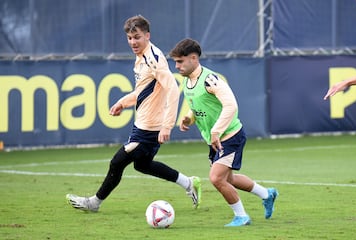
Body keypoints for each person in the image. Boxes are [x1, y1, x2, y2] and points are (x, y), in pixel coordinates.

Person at [66, 16, 201, 212]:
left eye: (136, 37)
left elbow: (172, 88)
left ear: (147, 35)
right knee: (143, 165)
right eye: (129, 38)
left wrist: (166, 125)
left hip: (150, 127)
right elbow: (144, 90)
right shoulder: (141, 58)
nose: (133, 42)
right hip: (143, 123)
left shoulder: (153, 58)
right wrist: (124, 102)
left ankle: (94, 203)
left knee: (117, 162)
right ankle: (189, 183)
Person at [169, 38, 278, 227]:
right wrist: (189, 118)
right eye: (175, 62)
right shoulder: (187, 82)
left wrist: (216, 131)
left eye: (180, 61)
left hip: (230, 136)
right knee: (230, 179)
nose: (177, 66)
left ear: (193, 58)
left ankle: (242, 217)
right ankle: (266, 194)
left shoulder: (210, 79)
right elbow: (198, 107)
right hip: (215, 139)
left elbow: (231, 105)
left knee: (216, 178)